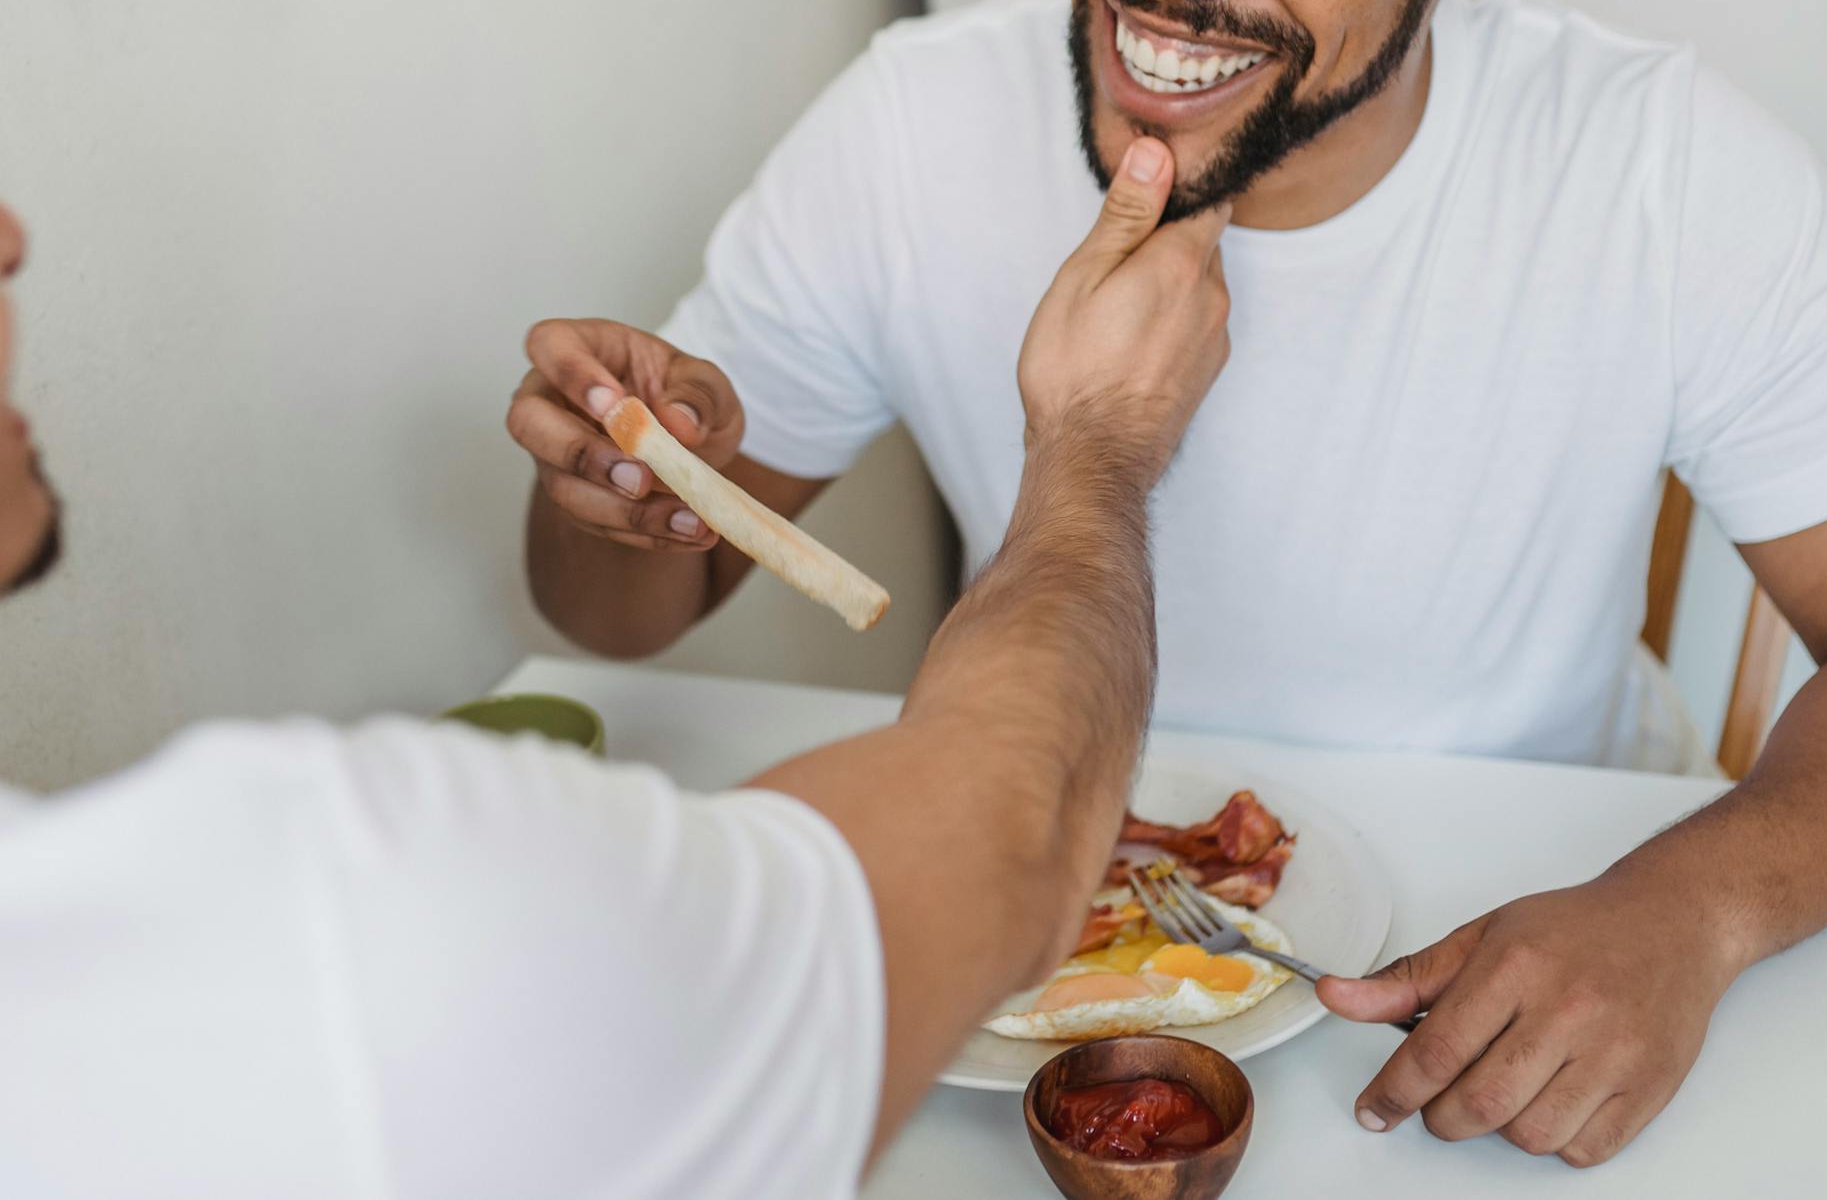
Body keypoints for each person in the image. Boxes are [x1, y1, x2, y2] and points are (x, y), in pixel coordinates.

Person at [505, 0, 1827, 1169]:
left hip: (1525, 948)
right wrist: (608, 497)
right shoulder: (906, 127)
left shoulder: (1664, 164)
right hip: (1040, 986)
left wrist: (1692, 912)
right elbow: (626, 616)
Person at [0, 154, 1231, 1197]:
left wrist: (626, 495)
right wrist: (1097, 440)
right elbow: (1012, 830)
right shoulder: (358, 909)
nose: (10, 237)